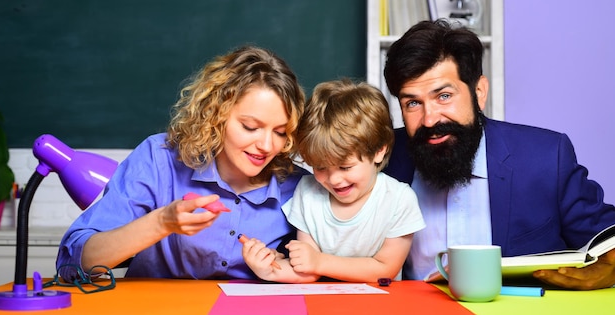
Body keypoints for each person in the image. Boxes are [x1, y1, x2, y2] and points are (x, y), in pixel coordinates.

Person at [382, 19, 615, 290]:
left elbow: (607, 238)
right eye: (412, 103)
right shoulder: (379, 159)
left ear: (479, 92)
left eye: (444, 96)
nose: (430, 119)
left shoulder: (547, 158)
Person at [56, 46, 307, 281]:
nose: (266, 145)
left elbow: (329, 267)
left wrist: (286, 265)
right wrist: (161, 222)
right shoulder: (159, 158)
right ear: (215, 115)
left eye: (281, 132)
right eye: (250, 127)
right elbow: (71, 263)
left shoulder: (298, 186)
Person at [241, 79, 425, 283]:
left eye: (345, 167)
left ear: (379, 151)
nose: (334, 179)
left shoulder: (399, 199)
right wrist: (268, 269)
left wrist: (319, 262)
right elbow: (306, 268)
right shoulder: (308, 191)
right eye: (320, 167)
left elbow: (385, 268)